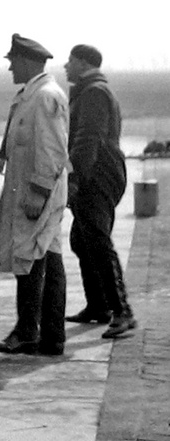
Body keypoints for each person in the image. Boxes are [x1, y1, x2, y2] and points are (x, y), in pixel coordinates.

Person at [0, 34, 69, 356]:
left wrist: (38, 194)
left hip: (38, 193)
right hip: (32, 191)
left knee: (29, 257)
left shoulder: (45, 96)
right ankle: (49, 337)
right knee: (47, 258)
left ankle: (28, 333)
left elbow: (52, 151)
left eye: (12, 62)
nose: (10, 69)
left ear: (27, 61)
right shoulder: (31, 95)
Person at [65, 44, 135, 338]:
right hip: (100, 171)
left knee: (96, 239)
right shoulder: (92, 89)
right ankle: (99, 306)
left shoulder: (93, 92)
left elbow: (87, 139)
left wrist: (75, 178)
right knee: (82, 240)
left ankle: (123, 312)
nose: (66, 66)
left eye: (70, 61)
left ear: (83, 63)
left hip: (97, 173)